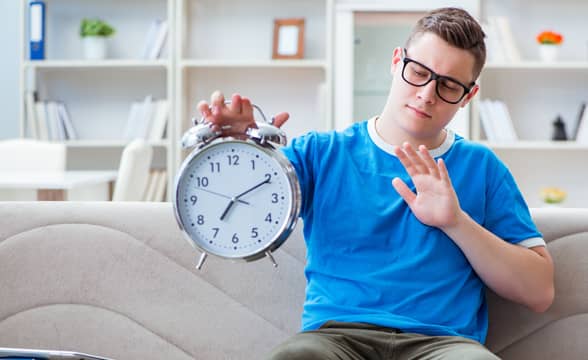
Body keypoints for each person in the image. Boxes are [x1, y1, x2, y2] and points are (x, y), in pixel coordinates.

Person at [197, 7, 554, 360]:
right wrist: (240, 147)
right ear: (397, 61)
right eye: (418, 72)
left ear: (468, 96)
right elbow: (229, 211)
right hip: (335, 339)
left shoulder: (482, 167)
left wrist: (455, 222)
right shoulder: (320, 154)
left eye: (448, 86)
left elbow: (539, 292)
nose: (427, 94)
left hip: (444, 345)